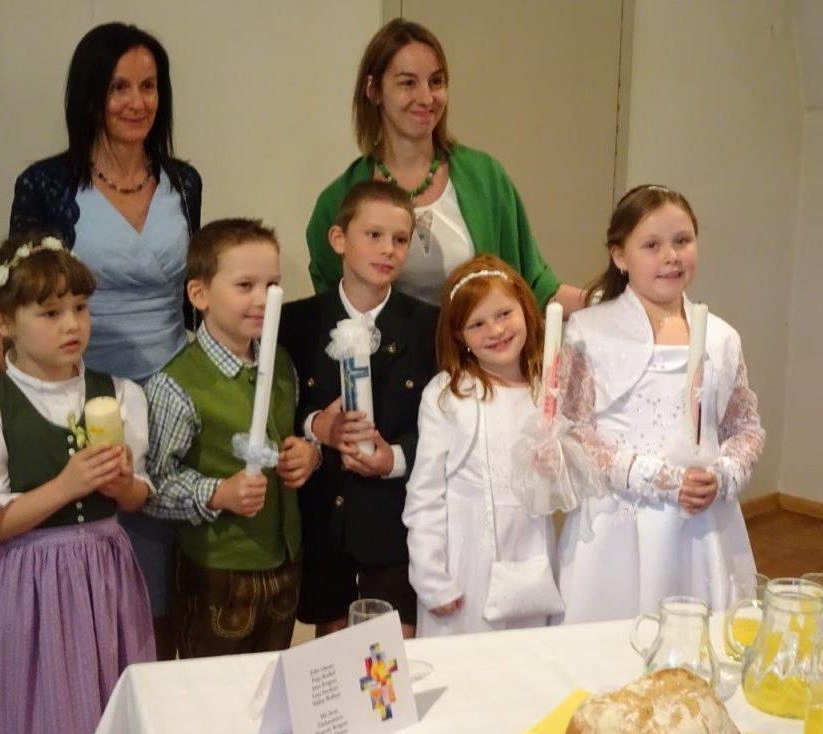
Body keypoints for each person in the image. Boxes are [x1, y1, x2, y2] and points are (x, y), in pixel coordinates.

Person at [0, 22, 202, 657]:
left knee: (175, 592)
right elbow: (21, 295)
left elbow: (193, 297)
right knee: (98, 586)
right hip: (82, 397)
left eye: (149, 86)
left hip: (173, 397)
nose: (137, 102)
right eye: (119, 87)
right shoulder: (47, 183)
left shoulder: (184, 181)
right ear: (90, 95)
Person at [0, 234, 154, 734]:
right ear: (3, 323)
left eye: (80, 307)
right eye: (50, 313)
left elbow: (139, 495)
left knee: (111, 698)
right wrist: (65, 486)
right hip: (33, 584)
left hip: (106, 575)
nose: (72, 325)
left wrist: (122, 485)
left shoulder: (120, 393)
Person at [556, 185, 765, 623]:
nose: (671, 256)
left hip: (700, 524)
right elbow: (573, 430)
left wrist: (723, 473)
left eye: (682, 241)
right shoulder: (590, 332)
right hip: (618, 523)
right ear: (620, 255)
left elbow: (744, 427)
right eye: (651, 245)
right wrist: (652, 476)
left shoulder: (722, 337)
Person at [306, 18, 585, 312]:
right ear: (373, 90)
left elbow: (534, 287)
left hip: (476, 343)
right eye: (408, 83)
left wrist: (602, 299)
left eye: (436, 81)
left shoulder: (486, 178)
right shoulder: (336, 201)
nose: (426, 98)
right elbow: (333, 311)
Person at [143, 219, 320, 656]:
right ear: (199, 294)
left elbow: (293, 431)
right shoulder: (177, 385)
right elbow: (152, 486)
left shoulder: (281, 362)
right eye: (245, 285)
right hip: (216, 576)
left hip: (284, 564)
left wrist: (308, 454)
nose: (262, 299)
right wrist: (218, 493)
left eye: (272, 285)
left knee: (272, 682)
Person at [280, 181, 437, 639]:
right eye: (373, 235)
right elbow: (278, 406)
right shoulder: (297, 322)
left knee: (391, 666)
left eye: (400, 239)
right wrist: (316, 426)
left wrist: (395, 458)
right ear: (338, 239)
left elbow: (446, 426)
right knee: (336, 664)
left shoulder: (429, 326)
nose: (388, 249)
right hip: (326, 526)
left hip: (396, 528)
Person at [403, 255, 566, 637]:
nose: (495, 330)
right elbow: (425, 493)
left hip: (531, 554)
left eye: (504, 314)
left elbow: (564, 487)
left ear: (525, 308)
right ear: (459, 335)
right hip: (465, 565)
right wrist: (430, 576)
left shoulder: (547, 391)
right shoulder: (448, 395)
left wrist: (557, 464)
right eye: (477, 324)